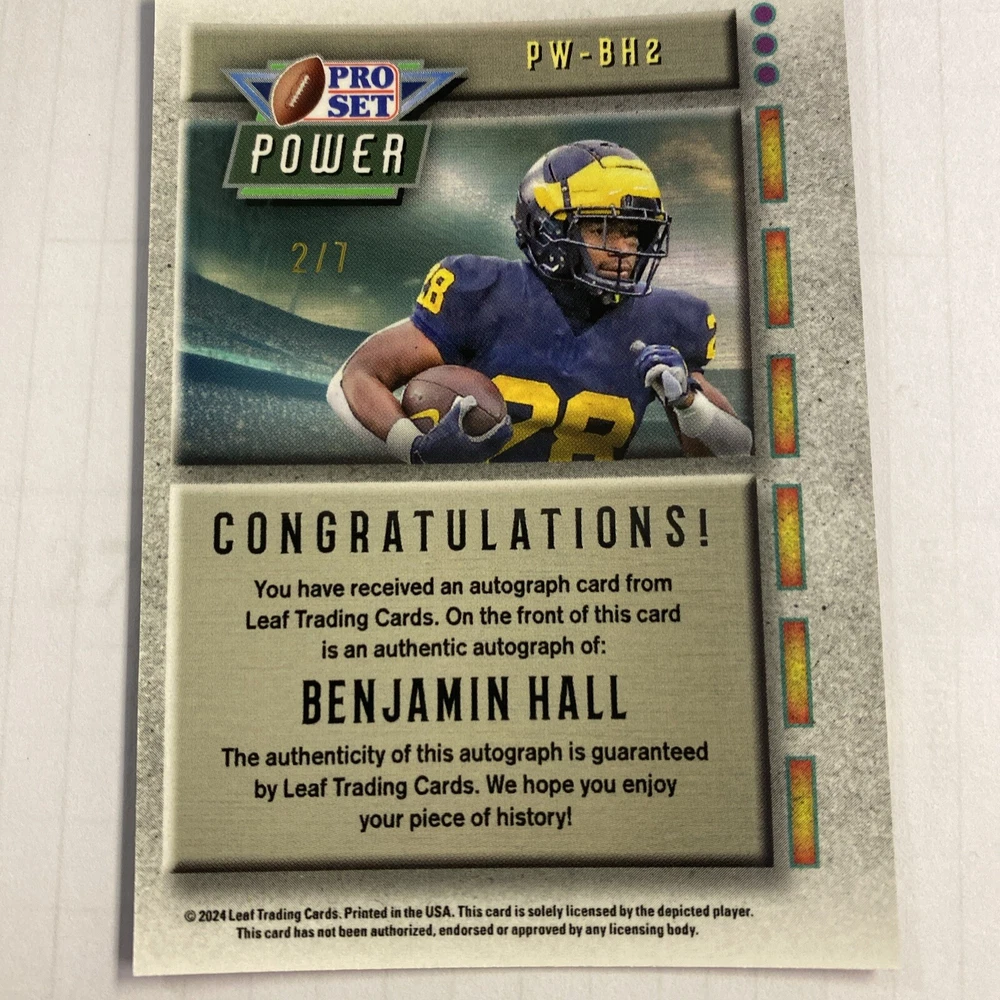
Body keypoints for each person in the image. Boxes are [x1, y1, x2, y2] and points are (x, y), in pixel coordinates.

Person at [327, 139, 752, 463]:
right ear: (547, 231)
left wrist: (689, 405)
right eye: (603, 230)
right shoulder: (483, 291)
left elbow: (736, 454)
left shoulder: (667, 321)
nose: (625, 249)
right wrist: (413, 448)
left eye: (634, 233)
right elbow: (355, 378)